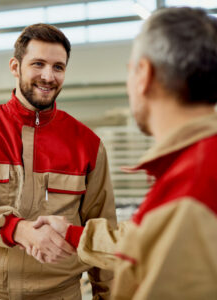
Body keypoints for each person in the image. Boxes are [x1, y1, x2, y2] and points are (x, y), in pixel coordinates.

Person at [31, 7, 217, 299]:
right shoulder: (198, 164)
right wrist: (71, 233)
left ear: (143, 74)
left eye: (129, 71)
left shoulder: (191, 188)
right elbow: (148, 239)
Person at [0, 23, 117, 299]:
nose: (48, 76)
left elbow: (102, 226)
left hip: (61, 294)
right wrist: (17, 229)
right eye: (38, 64)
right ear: (15, 66)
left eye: (58, 67)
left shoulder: (88, 144)